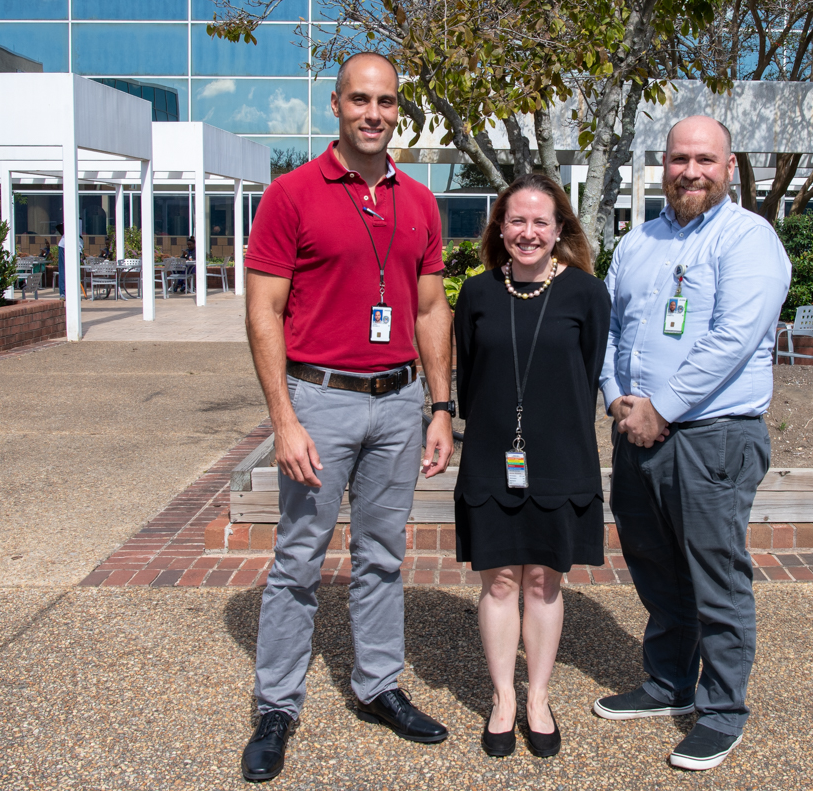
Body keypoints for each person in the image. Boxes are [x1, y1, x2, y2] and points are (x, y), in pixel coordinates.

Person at [239, 51, 455, 782]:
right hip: (319, 399)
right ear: (335, 104)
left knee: (383, 555)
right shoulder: (291, 195)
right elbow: (263, 311)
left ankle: (378, 684)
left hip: (396, 402)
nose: (374, 113)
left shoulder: (419, 203)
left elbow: (430, 309)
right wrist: (284, 419)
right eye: (360, 99)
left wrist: (440, 405)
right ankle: (277, 703)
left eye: (386, 102)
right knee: (298, 558)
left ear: (399, 111)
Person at [595, 115, 791, 771]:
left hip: (712, 437)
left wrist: (663, 407)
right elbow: (613, 330)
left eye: (705, 159)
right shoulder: (637, 242)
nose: (691, 171)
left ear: (729, 167)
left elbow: (734, 339)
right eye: (680, 158)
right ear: (663, 164)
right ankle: (668, 681)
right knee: (655, 564)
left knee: (715, 575)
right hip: (636, 431)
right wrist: (617, 396)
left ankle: (722, 709)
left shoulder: (748, 239)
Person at [453, 174, 610, 758]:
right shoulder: (476, 293)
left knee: (544, 579)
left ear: (560, 228)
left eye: (541, 222)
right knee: (498, 580)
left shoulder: (588, 295)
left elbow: (588, 373)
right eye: (516, 220)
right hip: (494, 454)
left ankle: (538, 697)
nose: (528, 232)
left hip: (562, 454)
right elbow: (468, 377)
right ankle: (503, 700)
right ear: (500, 226)